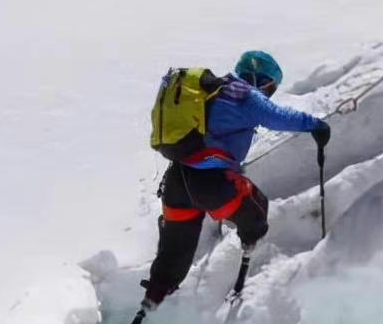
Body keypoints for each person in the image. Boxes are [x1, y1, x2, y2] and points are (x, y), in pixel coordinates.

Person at [140, 50, 331, 310]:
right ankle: (242, 278)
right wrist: (316, 126)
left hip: (176, 182)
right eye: (271, 86)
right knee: (256, 210)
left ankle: (146, 310)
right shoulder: (244, 95)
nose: (269, 92)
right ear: (261, 79)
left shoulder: (212, 93)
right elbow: (279, 117)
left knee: (173, 260)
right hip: (211, 186)